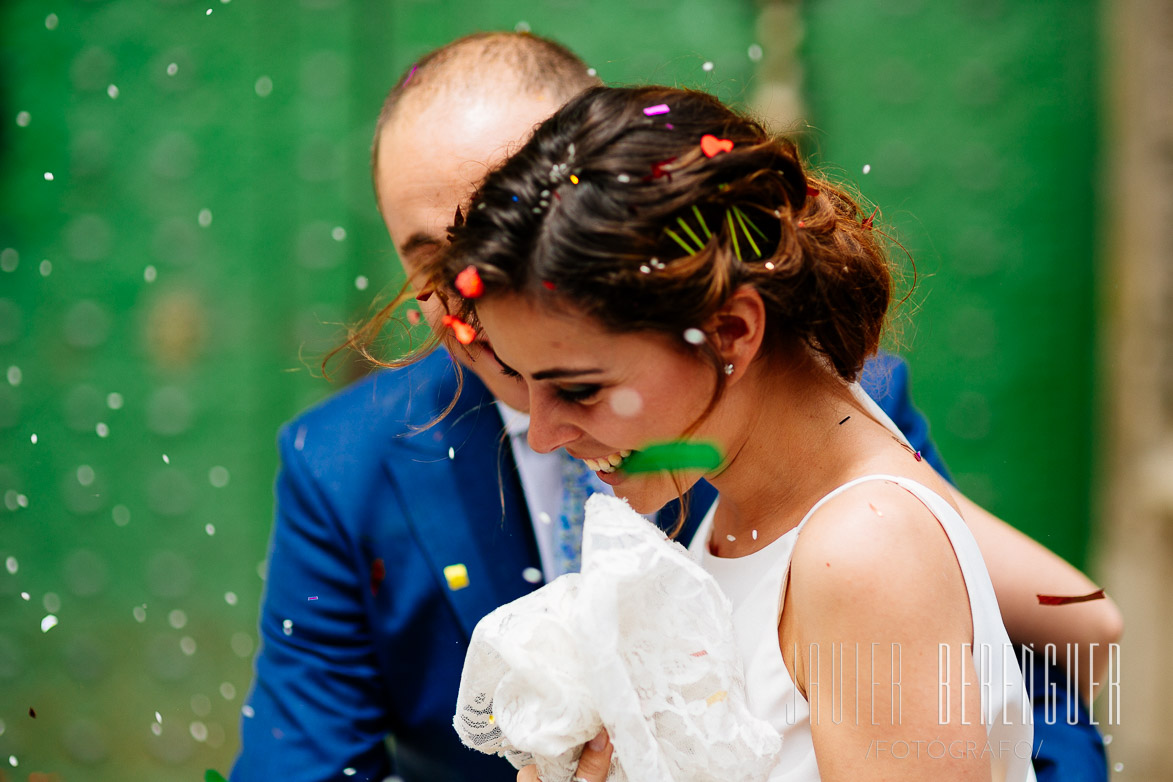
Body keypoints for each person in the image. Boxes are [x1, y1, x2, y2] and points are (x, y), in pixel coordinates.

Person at [231, 32, 1119, 782]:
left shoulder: (852, 512)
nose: (544, 427)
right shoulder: (731, 488)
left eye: (576, 386)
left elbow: (1054, 633)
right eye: (436, 265)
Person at [423, 82, 1041, 780]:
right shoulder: (750, 497)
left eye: (579, 388)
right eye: (522, 381)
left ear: (730, 332)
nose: (543, 434)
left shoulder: (863, 548)